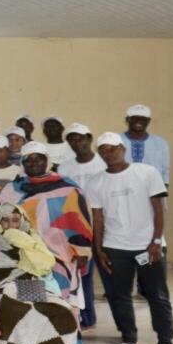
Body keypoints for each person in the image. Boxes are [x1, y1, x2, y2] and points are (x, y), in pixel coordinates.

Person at [86, 132, 173, 344]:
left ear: (122, 149)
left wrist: (156, 241)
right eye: (103, 149)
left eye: (112, 148)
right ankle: (128, 338)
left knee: (157, 295)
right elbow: (98, 218)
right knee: (119, 296)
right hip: (115, 248)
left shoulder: (146, 173)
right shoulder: (96, 181)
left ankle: (166, 343)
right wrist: (99, 250)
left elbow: (159, 208)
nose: (108, 153)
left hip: (148, 248)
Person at [0, 141, 92, 344]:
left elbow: (80, 220)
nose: (34, 162)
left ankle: (72, 343)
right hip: (26, 254)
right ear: (22, 163)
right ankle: (40, 343)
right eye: (28, 159)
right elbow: (4, 220)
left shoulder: (68, 187)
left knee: (64, 299)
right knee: (33, 299)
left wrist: (82, 252)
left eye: (38, 157)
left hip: (61, 254)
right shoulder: (11, 189)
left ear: (48, 160)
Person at [0, 203, 77, 344]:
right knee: (21, 309)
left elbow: (44, 266)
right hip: (2, 287)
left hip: (32, 284)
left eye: (15, 220)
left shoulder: (32, 239)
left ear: (22, 221)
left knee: (63, 308)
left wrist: (22, 241)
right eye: (6, 220)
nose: (11, 224)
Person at [58, 123, 106, 328]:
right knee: (82, 273)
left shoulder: (104, 162)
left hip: (103, 225)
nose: (76, 143)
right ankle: (85, 317)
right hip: (76, 227)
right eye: (72, 139)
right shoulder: (65, 167)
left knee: (107, 274)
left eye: (80, 138)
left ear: (89, 138)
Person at [120, 104, 170, 185]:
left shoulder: (161, 143)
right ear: (127, 119)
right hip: (123, 190)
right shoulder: (116, 141)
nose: (138, 121)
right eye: (134, 118)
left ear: (148, 121)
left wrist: (162, 194)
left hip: (152, 191)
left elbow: (165, 171)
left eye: (143, 119)